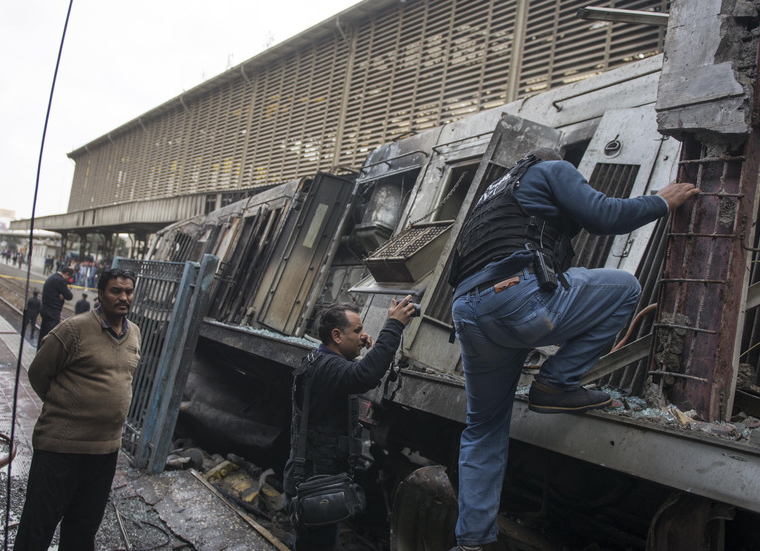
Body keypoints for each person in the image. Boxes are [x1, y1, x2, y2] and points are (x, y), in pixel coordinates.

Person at [447, 148, 700, 550]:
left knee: (483, 429)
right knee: (624, 288)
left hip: (468, 313)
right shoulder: (551, 169)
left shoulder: (491, 195)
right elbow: (604, 216)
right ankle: (557, 383)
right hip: (515, 298)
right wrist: (661, 201)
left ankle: (471, 544)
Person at [14, 267, 140, 551]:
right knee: (38, 526)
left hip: (104, 451)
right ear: (100, 294)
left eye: (128, 291)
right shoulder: (74, 329)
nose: (124, 297)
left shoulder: (135, 334)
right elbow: (39, 373)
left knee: (82, 531)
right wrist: (66, 409)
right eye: (116, 291)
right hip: (61, 448)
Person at [283, 298, 416, 551]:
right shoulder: (328, 368)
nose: (362, 336)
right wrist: (394, 326)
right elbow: (363, 376)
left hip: (313, 477)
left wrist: (361, 349)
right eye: (356, 331)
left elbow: (349, 373)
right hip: (316, 484)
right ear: (336, 335)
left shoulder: (318, 360)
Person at [37, 266, 74, 348]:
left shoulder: (53, 277)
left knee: (43, 334)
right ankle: (46, 356)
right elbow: (69, 296)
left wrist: (61, 295)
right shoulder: (60, 281)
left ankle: (39, 353)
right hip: (52, 312)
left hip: (45, 309)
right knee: (51, 336)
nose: (69, 280)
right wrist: (62, 296)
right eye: (70, 277)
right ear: (67, 274)